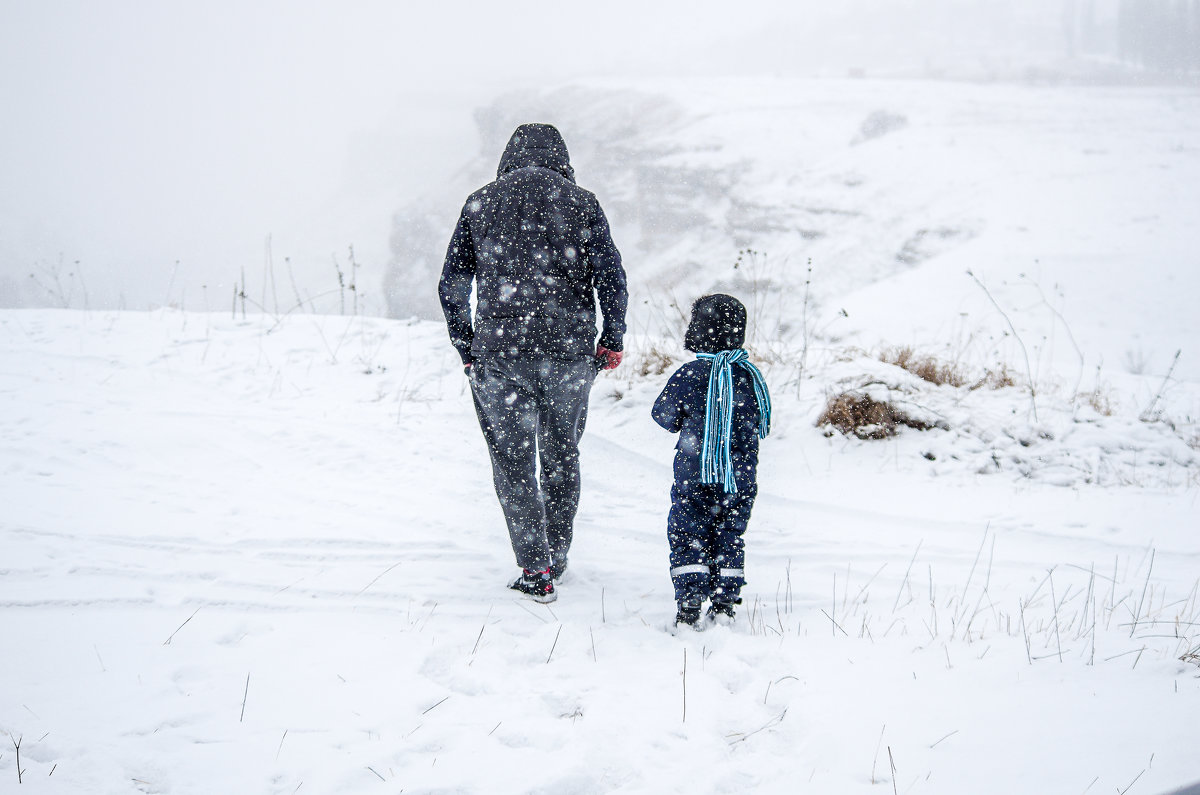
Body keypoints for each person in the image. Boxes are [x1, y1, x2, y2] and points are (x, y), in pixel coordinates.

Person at [438, 122, 628, 604]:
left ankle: (535, 567)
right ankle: (557, 554)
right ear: (561, 157)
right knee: (562, 454)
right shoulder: (582, 201)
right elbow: (612, 277)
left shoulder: (480, 202)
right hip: (568, 352)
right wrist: (612, 338)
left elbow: (452, 285)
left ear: (508, 156)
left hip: (500, 352)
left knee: (513, 462)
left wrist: (467, 346)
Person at [651, 294, 771, 627]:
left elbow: (663, 416)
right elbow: (759, 419)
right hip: (739, 478)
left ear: (698, 331)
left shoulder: (690, 374)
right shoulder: (750, 377)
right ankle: (724, 603)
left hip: (695, 475)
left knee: (688, 531)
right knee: (730, 534)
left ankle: (689, 603)